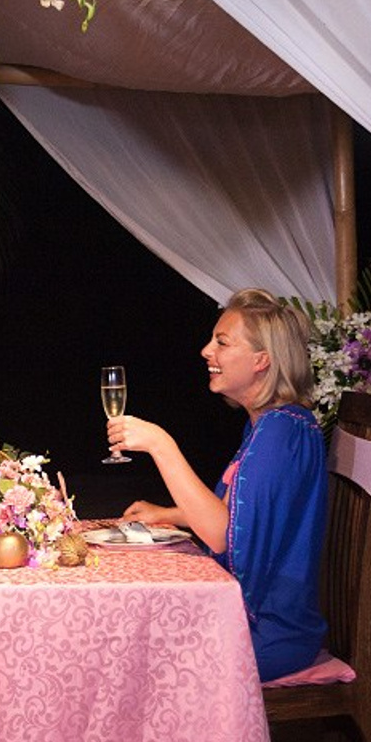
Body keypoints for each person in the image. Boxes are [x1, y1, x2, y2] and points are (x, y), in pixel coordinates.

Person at [108, 288, 327, 681]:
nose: (206, 351)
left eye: (222, 343)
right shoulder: (275, 425)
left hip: (267, 629)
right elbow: (243, 513)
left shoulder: (280, 432)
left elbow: (224, 535)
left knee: (137, 661)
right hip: (256, 619)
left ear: (262, 360)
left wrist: (161, 445)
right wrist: (168, 514)